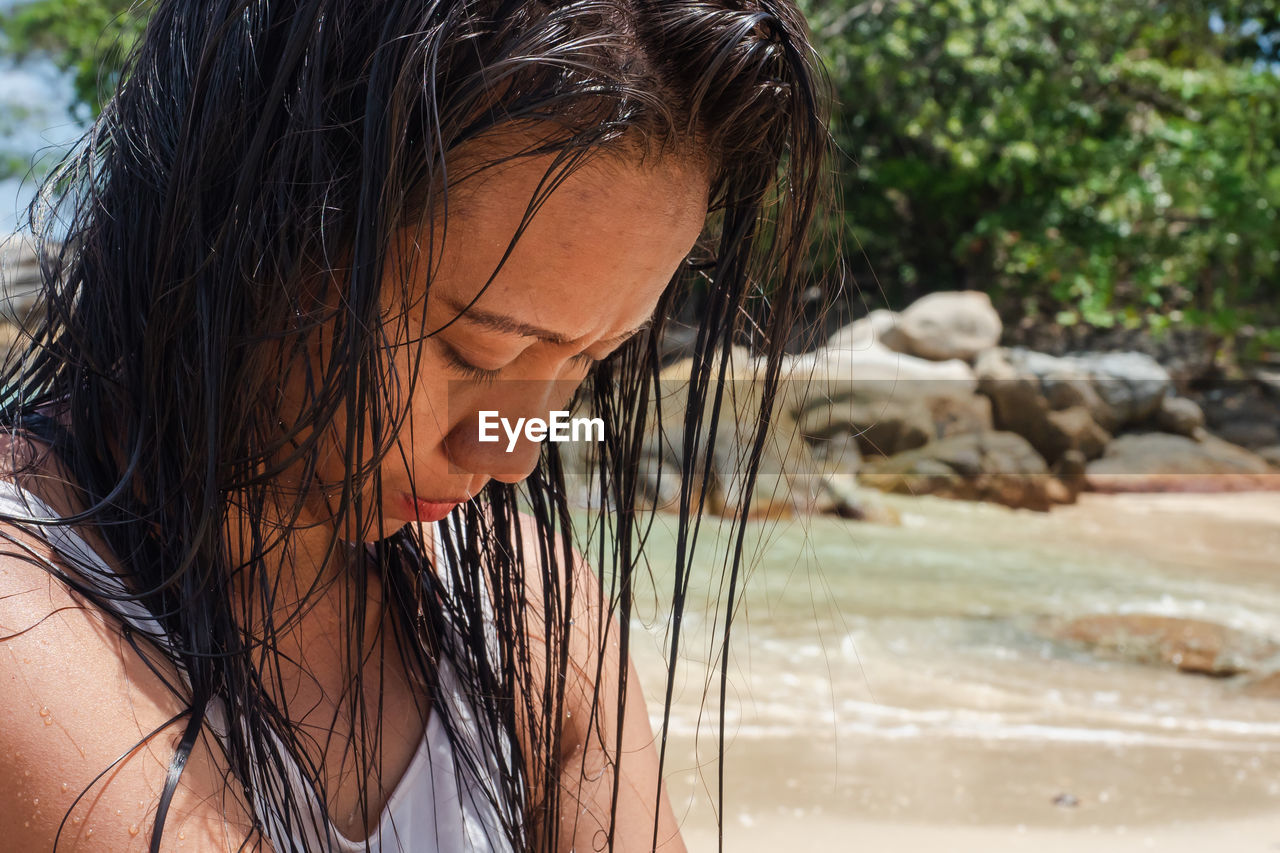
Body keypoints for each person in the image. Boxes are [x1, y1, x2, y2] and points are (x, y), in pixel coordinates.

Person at [0, 0, 828, 850]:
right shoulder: (23, 631)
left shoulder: (532, 619)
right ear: (249, 224)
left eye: (588, 360)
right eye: (480, 351)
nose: (515, 452)